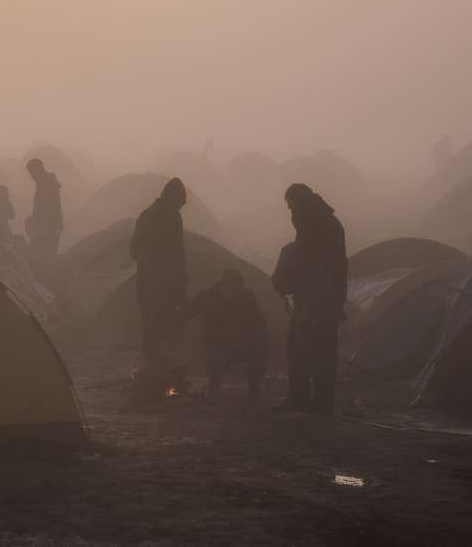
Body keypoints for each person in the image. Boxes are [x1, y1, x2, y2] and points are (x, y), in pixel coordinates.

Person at [271, 183, 347, 415]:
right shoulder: (318, 222)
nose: (291, 212)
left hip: (320, 299)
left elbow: (318, 265)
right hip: (316, 298)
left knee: (314, 352)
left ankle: (313, 402)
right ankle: (307, 400)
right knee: (305, 350)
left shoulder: (318, 225)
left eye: (291, 206)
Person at [129, 177, 189, 395]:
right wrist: (181, 281)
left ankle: (151, 377)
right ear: (174, 198)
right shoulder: (172, 216)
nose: (183, 205)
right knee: (163, 331)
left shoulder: (145, 215)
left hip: (147, 286)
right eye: (182, 202)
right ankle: (161, 381)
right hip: (166, 287)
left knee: (149, 332)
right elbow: (177, 254)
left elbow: (133, 251)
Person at [179, 269, 266, 401]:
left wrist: (245, 332)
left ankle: (254, 387)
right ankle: (215, 385)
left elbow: (258, 321)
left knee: (260, 346)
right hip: (216, 343)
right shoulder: (207, 296)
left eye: (236, 289)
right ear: (223, 285)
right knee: (218, 354)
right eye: (231, 289)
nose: (233, 293)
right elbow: (187, 313)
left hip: (241, 342)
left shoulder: (247, 296)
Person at [24, 158, 64, 273]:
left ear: (38, 169)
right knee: (44, 258)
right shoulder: (45, 182)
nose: (31, 176)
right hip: (48, 227)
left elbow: (46, 207)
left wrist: (34, 220)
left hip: (48, 228)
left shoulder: (46, 182)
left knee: (42, 258)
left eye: (32, 172)